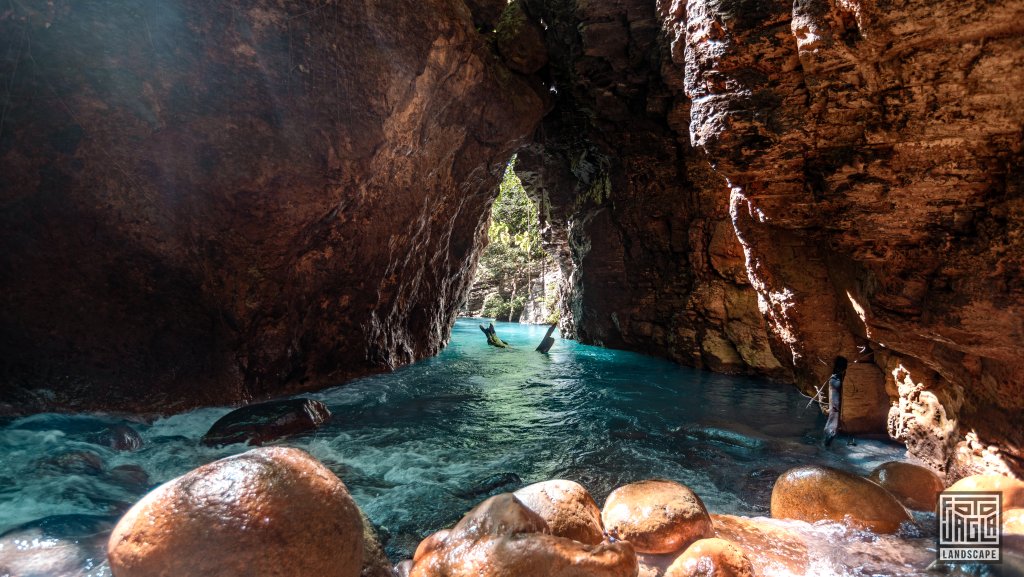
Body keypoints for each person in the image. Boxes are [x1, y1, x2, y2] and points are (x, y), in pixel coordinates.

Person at [823, 356, 848, 447]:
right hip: (835, 383)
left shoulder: (835, 379)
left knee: (832, 419)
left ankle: (827, 442)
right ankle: (841, 363)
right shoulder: (836, 379)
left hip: (835, 383)